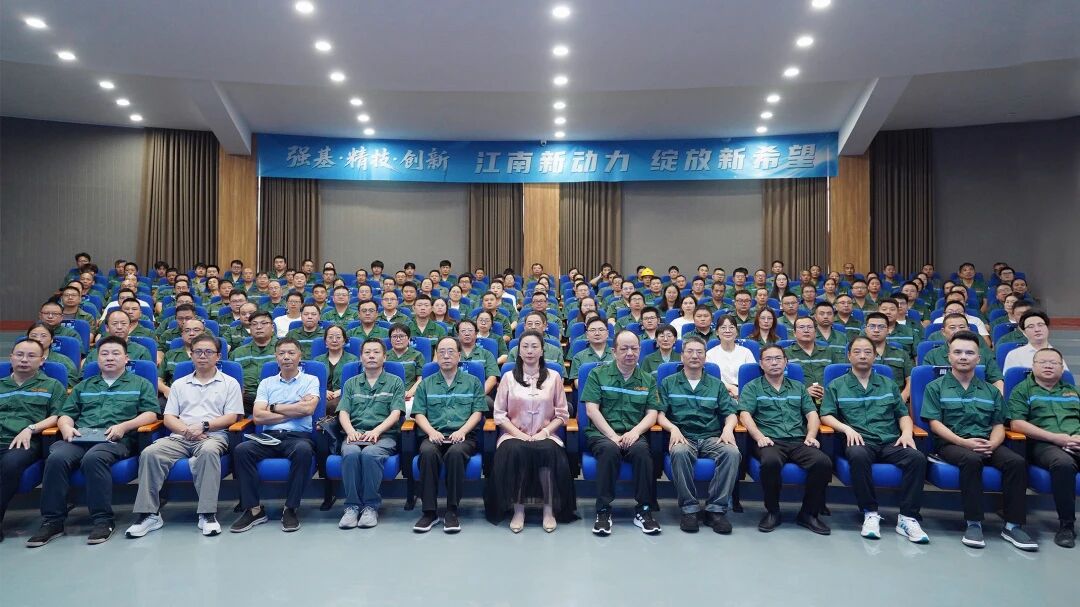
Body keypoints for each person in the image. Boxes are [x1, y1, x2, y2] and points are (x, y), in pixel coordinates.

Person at [26, 337, 158, 547]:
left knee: (94, 458)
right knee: (57, 457)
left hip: (116, 439)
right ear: (97, 358)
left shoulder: (140, 384)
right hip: (80, 437)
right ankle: (53, 521)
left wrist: (124, 426)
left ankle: (102, 520)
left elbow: (150, 413)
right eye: (104, 353)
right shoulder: (84, 386)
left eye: (115, 353)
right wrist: (66, 427)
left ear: (126, 358)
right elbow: (66, 414)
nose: (109, 358)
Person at [921, 330, 1036, 551]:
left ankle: (1013, 525)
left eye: (969, 353)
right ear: (949, 356)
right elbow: (935, 424)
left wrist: (993, 444)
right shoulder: (935, 387)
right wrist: (964, 443)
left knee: (1016, 462)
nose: (963, 357)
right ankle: (974, 523)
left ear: (978, 358)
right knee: (971, 460)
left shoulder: (991, 391)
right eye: (958, 352)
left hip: (987, 442)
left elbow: (998, 424)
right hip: (951, 444)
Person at [125, 334, 243, 539]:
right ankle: (149, 515)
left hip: (213, 435)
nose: (203, 356)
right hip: (181, 435)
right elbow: (169, 417)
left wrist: (203, 426)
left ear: (218, 356)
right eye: (198, 352)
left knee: (208, 452)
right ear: (191, 354)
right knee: (150, 453)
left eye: (208, 352)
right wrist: (186, 431)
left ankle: (207, 514)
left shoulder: (230, 383)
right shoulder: (179, 384)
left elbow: (232, 417)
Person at [820, 337, 930, 542]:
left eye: (867, 352)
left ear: (875, 356)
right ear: (849, 356)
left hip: (890, 440)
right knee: (857, 455)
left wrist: (907, 433)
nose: (862, 356)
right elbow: (826, 415)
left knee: (917, 458)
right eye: (857, 351)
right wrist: (846, 429)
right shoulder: (837, 385)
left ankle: (907, 517)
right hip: (860, 440)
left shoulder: (888, 384)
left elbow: (902, 414)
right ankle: (870, 512)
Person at [485, 331, 576, 532]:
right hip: (513, 434)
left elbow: (562, 414)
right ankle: (519, 510)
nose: (529, 351)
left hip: (546, 433)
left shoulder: (554, 377)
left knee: (548, 451)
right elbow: (499, 414)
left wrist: (545, 433)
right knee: (517, 451)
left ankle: (548, 510)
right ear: (518, 351)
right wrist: (521, 435)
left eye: (534, 346)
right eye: (525, 346)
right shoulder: (508, 377)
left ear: (542, 351)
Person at [738, 344, 832, 535]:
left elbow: (812, 414)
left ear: (786, 362)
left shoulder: (798, 387)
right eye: (768, 359)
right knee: (770, 462)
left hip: (798, 440)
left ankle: (808, 513)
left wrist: (811, 436)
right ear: (761, 364)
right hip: (769, 440)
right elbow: (744, 414)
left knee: (822, 462)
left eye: (778, 358)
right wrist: (759, 437)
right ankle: (773, 511)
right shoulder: (753, 387)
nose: (774, 363)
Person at [230, 338, 320, 534]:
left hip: (298, 436)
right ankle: (254, 510)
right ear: (276, 357)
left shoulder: (311, 380)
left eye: (291, 353)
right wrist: (294, 409)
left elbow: (308, 409)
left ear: (300, 356)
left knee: (303, 450)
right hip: (268, 436)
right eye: (281, 353)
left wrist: (273, 407)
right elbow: (258, 417)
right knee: (242, 450)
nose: (286, 357)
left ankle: (290, 508)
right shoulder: (266, 383)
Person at [581, 330, 661, 535]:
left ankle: (644, 510)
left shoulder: (648, 379)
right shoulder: (597, 374)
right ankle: (603, 510)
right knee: (610, 451)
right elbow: (591, 410)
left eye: (634, 348)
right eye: (624, 348)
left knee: (643, 453)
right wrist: (612, 436)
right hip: (602, 434)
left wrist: (635, 432)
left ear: (640, 350)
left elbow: (652, 413)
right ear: (614, 351)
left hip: (633, 432)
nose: (630, 353)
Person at [658, 336, 741, 534]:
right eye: (690, 351)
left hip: (711, 436)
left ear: (705, 357)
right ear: (682, 356)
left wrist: (728, 428)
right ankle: (689, 510)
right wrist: (673, 428)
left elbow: (730, 413)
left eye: (699, 352)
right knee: (679, 452)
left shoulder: (716, 384)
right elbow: (659, 414)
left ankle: (716, 510)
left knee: (732, 453)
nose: (694, 356)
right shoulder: (669, 382)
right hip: (683, 436)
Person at [411, 336, 488, 534]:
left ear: (459, 356)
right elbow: (418, 413)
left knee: (455, 453)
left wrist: (462, 431)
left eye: (451, 351)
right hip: (433, 434)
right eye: (441, 352)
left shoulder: (472, 382)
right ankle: (429, 512)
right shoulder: (426, 384)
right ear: (436, 356)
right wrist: (431, 432)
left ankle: (452, 511)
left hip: (463, 436)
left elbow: (477, 412)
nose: (446, 356)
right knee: (427, 452)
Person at [1007, 348, 1080, 548]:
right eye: (1043, 362)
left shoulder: (1073, 391)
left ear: (1062, 368)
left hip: (1076, 440)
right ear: (1033, 366)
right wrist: (1056, 438)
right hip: (1043, 444)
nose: (1048, 366)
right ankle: (1066, 526)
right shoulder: (1023, 390)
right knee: (1063, 464)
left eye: (1054, 363)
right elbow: (1017, 424)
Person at [335, 338, 405, 530]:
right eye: (367, 352)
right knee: (350, 453)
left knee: (370, 454)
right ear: (361, 357)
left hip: (384, 435)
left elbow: (396, 413)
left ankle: (370, 506)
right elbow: (343, 412)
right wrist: (350, 431)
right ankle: (351, 507)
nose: (371, 356)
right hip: (355, 434)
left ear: (385, 357)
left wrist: (377, 431)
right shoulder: (351, 383)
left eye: (376, 352)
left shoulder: (395, 382)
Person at [0, 340, 64, 541]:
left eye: (31, 356)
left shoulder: (52, 385)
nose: (24, 360)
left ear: (42, 360)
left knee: (10, 464)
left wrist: (31, 428)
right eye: (19, 355)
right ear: (11, 357)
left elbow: (57, 416)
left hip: (26, 442)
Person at [923, 313, 1005, 393]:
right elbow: (926, 385)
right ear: (943, 332)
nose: (957, 330)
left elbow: (997, 380)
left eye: (962, 327)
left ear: (968, 329)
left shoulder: (983, 354)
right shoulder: (932, 355)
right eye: (952, 327)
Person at [229, 311, 278, 414]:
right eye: (254, 324)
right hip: (244, 399)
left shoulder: (284, 350)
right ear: (250, 328)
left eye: (263, 323)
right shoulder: (238, 353)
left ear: (272, 327)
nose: (258, 327)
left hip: (276, 398)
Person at [864, 312, 913, 402]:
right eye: (872, 326)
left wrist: (903, 397)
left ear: (888, 330)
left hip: (896, 400)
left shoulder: (901, 354)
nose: (876, 330)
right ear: (865, 330)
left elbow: (910, 379)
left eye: (881, 327)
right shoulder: (858, 355)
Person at [705, 315, 757, 398]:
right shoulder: (710, 354)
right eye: (723, 328)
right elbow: (711, 378)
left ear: (736, 332)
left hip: (745, 393)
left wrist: (742, 392)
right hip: (719, 393)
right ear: (717, 332)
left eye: (731, 327)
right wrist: (731, 388)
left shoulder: (746, 352)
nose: (727, 331)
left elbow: (753, 376)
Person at [1003, 311, 1069, 373]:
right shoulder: (1014, 355)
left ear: (1047, 328)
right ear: (1024, 332)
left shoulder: (1056, 355)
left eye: (1040, 325)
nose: (1037, 329)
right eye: (1031, 326)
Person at [26, 323, 79, 388]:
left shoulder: (63, 360)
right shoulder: (20, 360)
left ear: (51, 340)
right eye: (34, 336)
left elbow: (72, 382)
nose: (38, 339)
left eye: (43, 336)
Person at [568, 316, 614, 389]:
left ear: (607, 333)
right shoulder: (579, 357)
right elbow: (577, 384)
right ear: (587, 335)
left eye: (601, 330)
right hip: (588, 394)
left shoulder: (617, 354)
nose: (597, 333)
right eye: (592, 330)